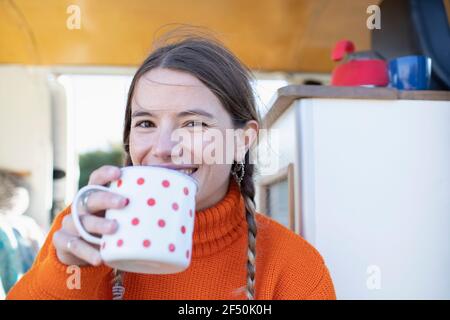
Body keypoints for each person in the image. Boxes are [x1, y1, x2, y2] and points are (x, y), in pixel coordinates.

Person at [7, 29, 336, 300]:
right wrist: (67, 272)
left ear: (242, 140)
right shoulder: (83, 230)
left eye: (193, 124)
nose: (163, 149)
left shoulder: (294, 268)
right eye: (146, 124)